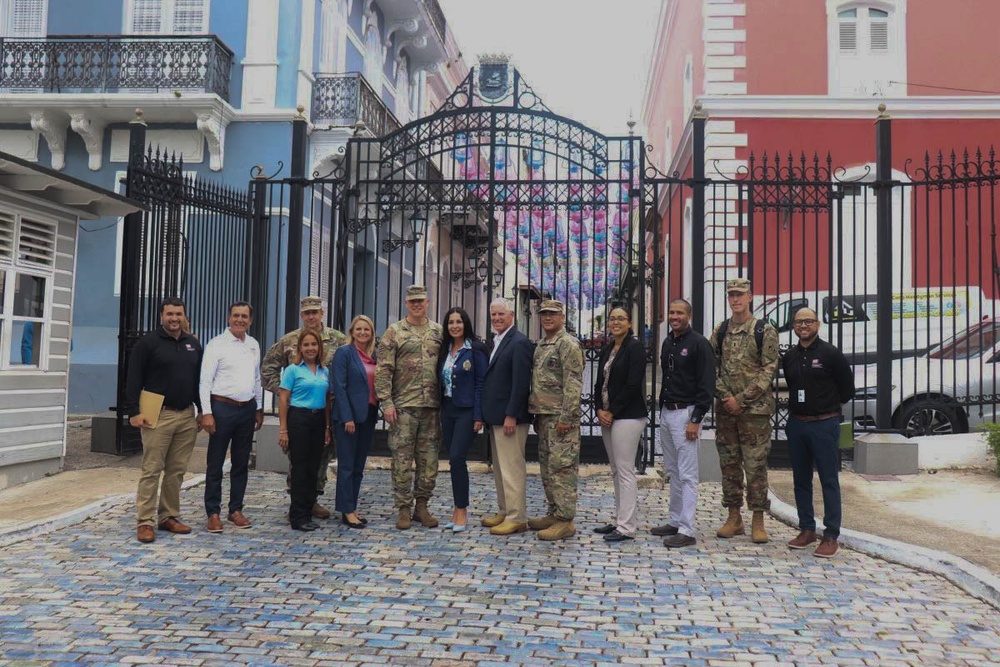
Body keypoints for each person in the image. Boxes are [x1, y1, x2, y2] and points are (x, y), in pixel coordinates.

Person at [124, 297, 203, 544]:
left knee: (177, 470)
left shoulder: (193, 344)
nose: (174, 318)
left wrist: (202, 411)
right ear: (162, 316)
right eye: (169, 314)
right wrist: (133, 411)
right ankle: (145, 521)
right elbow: (133, 378)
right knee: (152, 469)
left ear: (184, 316)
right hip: (157, 414)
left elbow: (199, 380)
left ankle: (168, 516)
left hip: (186, 415)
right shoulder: (147, 343)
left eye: (178, 314)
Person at [262, 296, 347, 520]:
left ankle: (313, 498)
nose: (311, 316)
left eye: (315, 312)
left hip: (325, 410)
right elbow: (268, 369)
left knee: (321, 458)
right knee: (298, 461)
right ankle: (298, 504)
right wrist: (285, 395)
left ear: (322, 314)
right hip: (298, 413)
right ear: (302, 315)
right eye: (307, 313)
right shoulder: (290, 340)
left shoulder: (338, 339)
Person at [710, 277, 780, 543]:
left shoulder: (764, 330)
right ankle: (734, 517)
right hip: (726, 411)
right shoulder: (720, 330)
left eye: (740, 294)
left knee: (755, 466)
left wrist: (742, 398)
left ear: (751, 297)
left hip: (755, 413)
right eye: (731, 295)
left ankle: (758, 519)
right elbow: (711, 366)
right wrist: (726, 396)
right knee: (729, 465)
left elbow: (769, 369)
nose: (735, 299)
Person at [782, 307, 855, 559]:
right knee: (800, 480)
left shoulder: (830, 354)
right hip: (797, 424)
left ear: (818, 324)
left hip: (824, 423)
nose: (803, 326)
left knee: (828, 480)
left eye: (808, 321)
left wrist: (827, 408)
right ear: (794, 326)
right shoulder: (789, 356)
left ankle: (831, 535)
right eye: (799, 322)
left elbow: (847, 389)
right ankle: (807, 529)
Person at [376, 285, 444, 530]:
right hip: (403, 406)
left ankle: (422, 506)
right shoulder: (394, 332)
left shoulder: (438, 331)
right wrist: (386, 402)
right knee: (402, 460)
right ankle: (403, 508)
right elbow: (383, 369)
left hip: (431, 407)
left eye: (421, 301)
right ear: (406, 304)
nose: (417, 305)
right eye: (412, 301)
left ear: (428, 302)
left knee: (429, 461)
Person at [651, 299, 716, 548]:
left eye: (679, 312)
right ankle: (675, 520)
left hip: (686, 415)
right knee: (673, 471)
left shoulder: (699, 344)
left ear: (689, 315)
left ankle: (687, 530)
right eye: (671, 312)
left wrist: (696, 419)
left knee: (688, 475)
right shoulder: (668, 342)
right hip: (667, 412)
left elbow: (707, 385)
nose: (674, 316)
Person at [199, 301, 264, 533]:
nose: (240, 320)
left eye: (244, 316)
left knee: (241, 462)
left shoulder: (254, 345)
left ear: (250, 320)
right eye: (236, 316)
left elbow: (256, 378)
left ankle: (235, 509)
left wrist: (259, 407)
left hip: (246, 409)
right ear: (229, 318)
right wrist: (206, 413)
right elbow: (205, 381)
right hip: (222, 408)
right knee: (215, 462)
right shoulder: (216, 345)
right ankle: (213, 513)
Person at [527, 299, 584, 541]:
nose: (547, 318)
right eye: (543, 314)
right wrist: (537, 415)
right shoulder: (542, 345)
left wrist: (567, 416)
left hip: (562, 419)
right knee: (548, 468)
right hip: (545, 416)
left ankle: (565, 520)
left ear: (562, 316)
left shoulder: (568, 344)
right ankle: (554, 512)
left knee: (562, 469)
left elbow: (573, 384)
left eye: (552, 314)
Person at [593, 306, 649, 543]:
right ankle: (619, 520)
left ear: (629, 323)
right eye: (612, 318)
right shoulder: (608, 348)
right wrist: (599, 409)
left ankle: (627, 527)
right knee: (615, 470)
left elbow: (632, 384)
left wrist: (612, 411)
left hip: (628, 416)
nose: (616, 322)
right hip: (608, 415)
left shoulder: (635, 348)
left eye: (621, 319)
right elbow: (599, 383)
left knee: (625, 471)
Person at [480, 298, 533, 536]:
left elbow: (521, 384)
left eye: (501, 314)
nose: (497, 319)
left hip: (510, 418)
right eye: (493, 315)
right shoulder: (498, 341)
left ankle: (517, 517)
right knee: (501, 468)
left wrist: (511, 414)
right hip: (496, 416)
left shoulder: (519, 342)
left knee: (512, 468)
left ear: (512, 316)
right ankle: (504, 510)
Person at [437, 307, 488, 533]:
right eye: (450, 322)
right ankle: (456, 509)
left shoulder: (475, 349)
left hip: (466, 411)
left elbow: (481, 383)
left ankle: (462, 509)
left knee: (458, 457)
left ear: (465, 323)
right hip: (447, 409)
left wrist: (479, 415)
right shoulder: (444, 349)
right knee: (453, 459)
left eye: (458, 321)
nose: (455, 326)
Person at [277, 330, 331, 532]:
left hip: (318, 420)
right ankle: (297, 516)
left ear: (319, 347)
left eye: (314, 345)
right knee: (299, 469)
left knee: (313, 468)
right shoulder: (292, 370)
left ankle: (308, 512)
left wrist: (326, 427)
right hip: (299, 418)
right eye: (306, 345)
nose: (310, 348)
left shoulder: (324, 371)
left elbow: (326, 401)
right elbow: (283, 399)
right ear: (300, 347)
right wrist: (283, 429)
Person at [330, 315, 379, 529]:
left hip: (368, 415)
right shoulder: (344, 353)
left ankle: (352, 505)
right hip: (348, 417)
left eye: (366, 329)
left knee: (358, 466)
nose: (362, 333)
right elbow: (338, 387)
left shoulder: (374, 355)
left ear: (372, 333)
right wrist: (346, 416)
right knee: (347, 465)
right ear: (352, 332)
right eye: (358, 329)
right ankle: (346, 510)